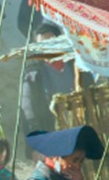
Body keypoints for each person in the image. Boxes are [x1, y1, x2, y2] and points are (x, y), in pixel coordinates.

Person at [19, 24, 75, 159]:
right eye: (42, 45)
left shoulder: (77, 67)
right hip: (53, 136)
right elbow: (29, 114)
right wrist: (35, 147)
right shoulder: (33, 77)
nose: (47, 48)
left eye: (50, 43)